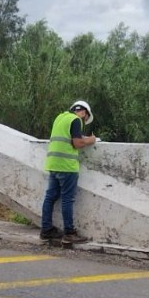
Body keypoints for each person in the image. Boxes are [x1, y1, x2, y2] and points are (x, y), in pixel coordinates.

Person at [41, 100, 97, 244]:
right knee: (67, 199)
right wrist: (91, 140)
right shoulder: (76, 120)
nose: (84, 122)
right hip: (67, 166)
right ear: (84, 112)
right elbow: (77, 143)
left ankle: (46, 230)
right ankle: (69, 233)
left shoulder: (60, 118)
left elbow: (68, 138)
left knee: (50, 197)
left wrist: (82, 138)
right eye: (85, 119)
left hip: (53, 164)